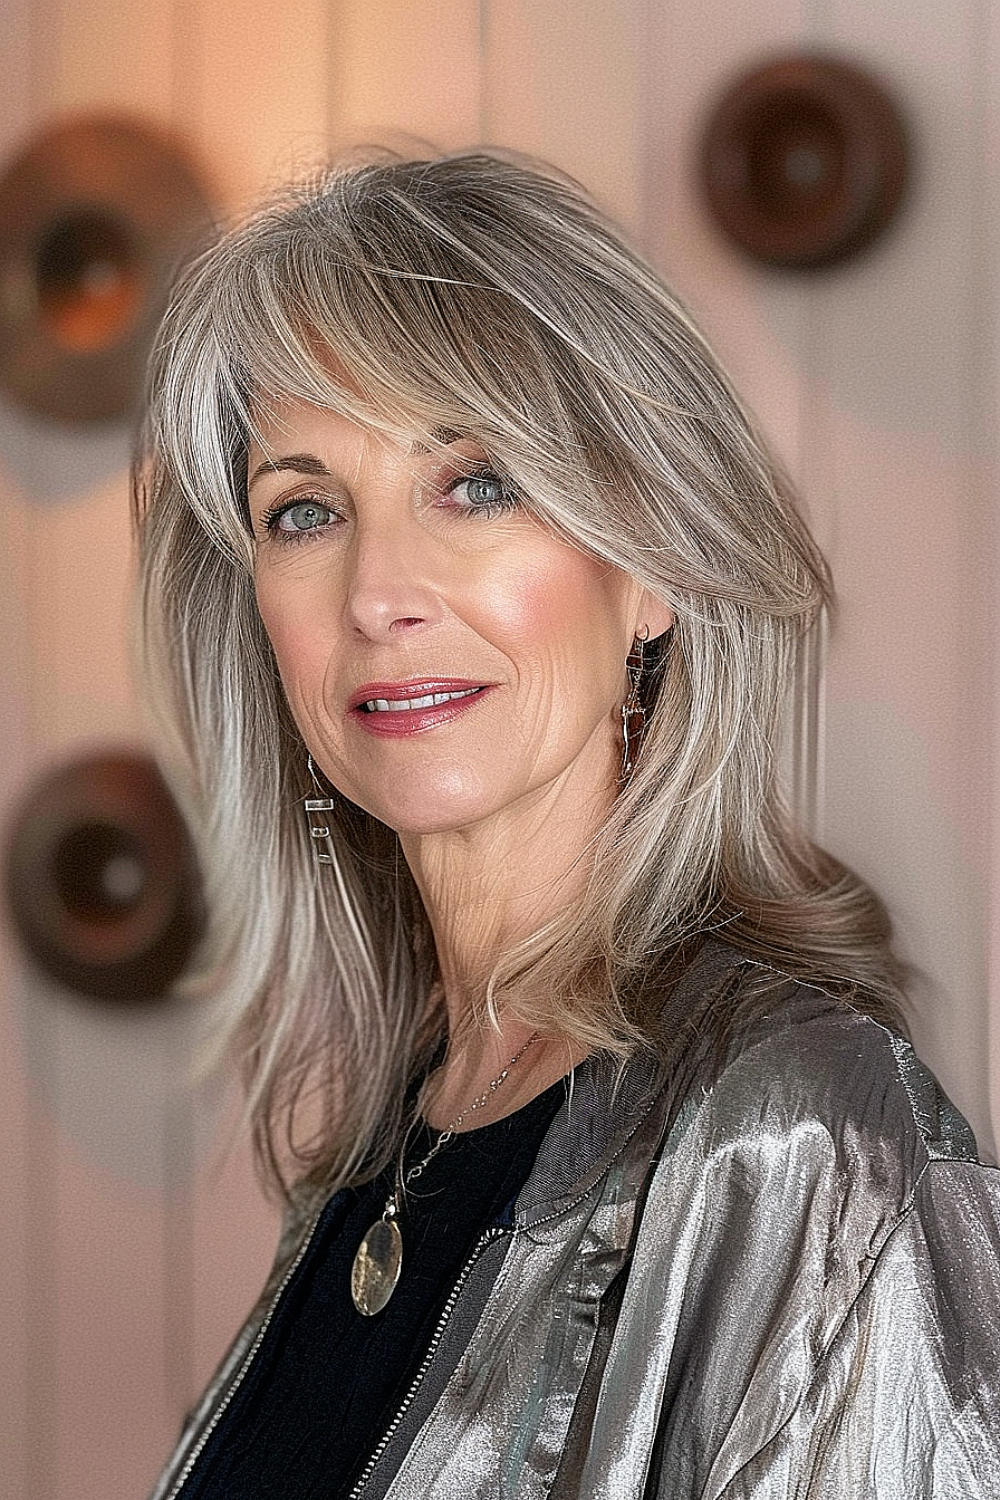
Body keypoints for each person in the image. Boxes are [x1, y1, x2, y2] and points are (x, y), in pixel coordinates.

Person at [135, 152, 1000, 1499]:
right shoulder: (392, 1134)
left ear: (650, 568)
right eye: (305, 510)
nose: (379, 593)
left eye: (475, 484)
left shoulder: (808, 1145)